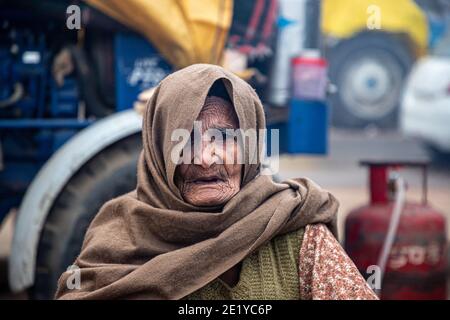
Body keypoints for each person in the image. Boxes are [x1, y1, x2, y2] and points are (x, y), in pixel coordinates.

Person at [55, 64, 377, 300]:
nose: (207, 159)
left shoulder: (298, 232)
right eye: (186, 141)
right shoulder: (118, 238)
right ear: (159, 150)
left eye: (224, 137)